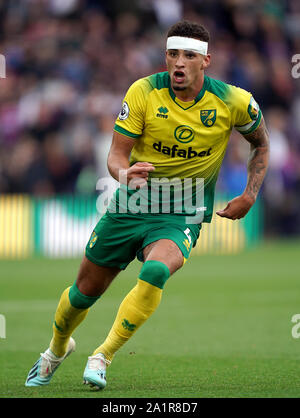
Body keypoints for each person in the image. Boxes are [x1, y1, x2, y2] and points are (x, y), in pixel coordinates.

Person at [25, 20, 269, 390]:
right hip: (131, 206)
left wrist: (250, 193)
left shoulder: (235, 102)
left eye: (189, 56)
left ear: (207, 61)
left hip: (182, 212)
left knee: (156, 272)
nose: (179, 63)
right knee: (82, 295)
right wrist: (124, 175)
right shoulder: (143, 92)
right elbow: (116, 156)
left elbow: (261, 143)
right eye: (173, 54)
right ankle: (56, 350)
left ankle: (102, 355)